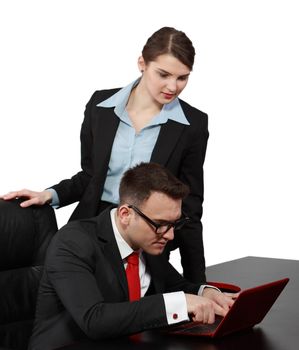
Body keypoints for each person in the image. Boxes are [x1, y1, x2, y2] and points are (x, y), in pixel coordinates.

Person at [1, 27, 209, 283]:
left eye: (182, 78)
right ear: (142, 63)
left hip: (145, 236)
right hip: (93, 225)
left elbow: (189, 208)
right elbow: (91, 176)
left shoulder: (193, 125)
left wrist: (198, 284)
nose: (173, 86)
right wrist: (49, 195)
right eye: (163, 74)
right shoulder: (100, 107)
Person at [28, 163, 237, 350]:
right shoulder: (72, 242)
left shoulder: (148, 240)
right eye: (160, 224)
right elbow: (94, 320)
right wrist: (179, 304)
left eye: (174, 224)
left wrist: (206, 292)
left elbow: (177, 286)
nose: (170, 235)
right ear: (126, 214)